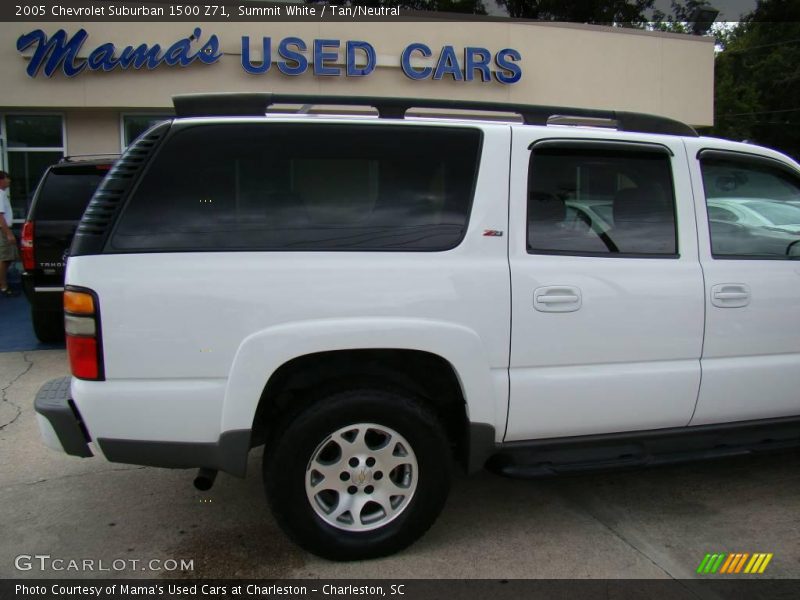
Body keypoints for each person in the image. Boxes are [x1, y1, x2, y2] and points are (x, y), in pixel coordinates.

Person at [0, 170, 20, 297]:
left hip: (4, 229)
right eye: (7, 178)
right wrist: (8, 233)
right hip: (3, 230)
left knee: (8, 258)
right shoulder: (0, 194)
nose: (9, 181)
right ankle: (3, 286)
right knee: (4, 258)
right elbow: (0, 216)